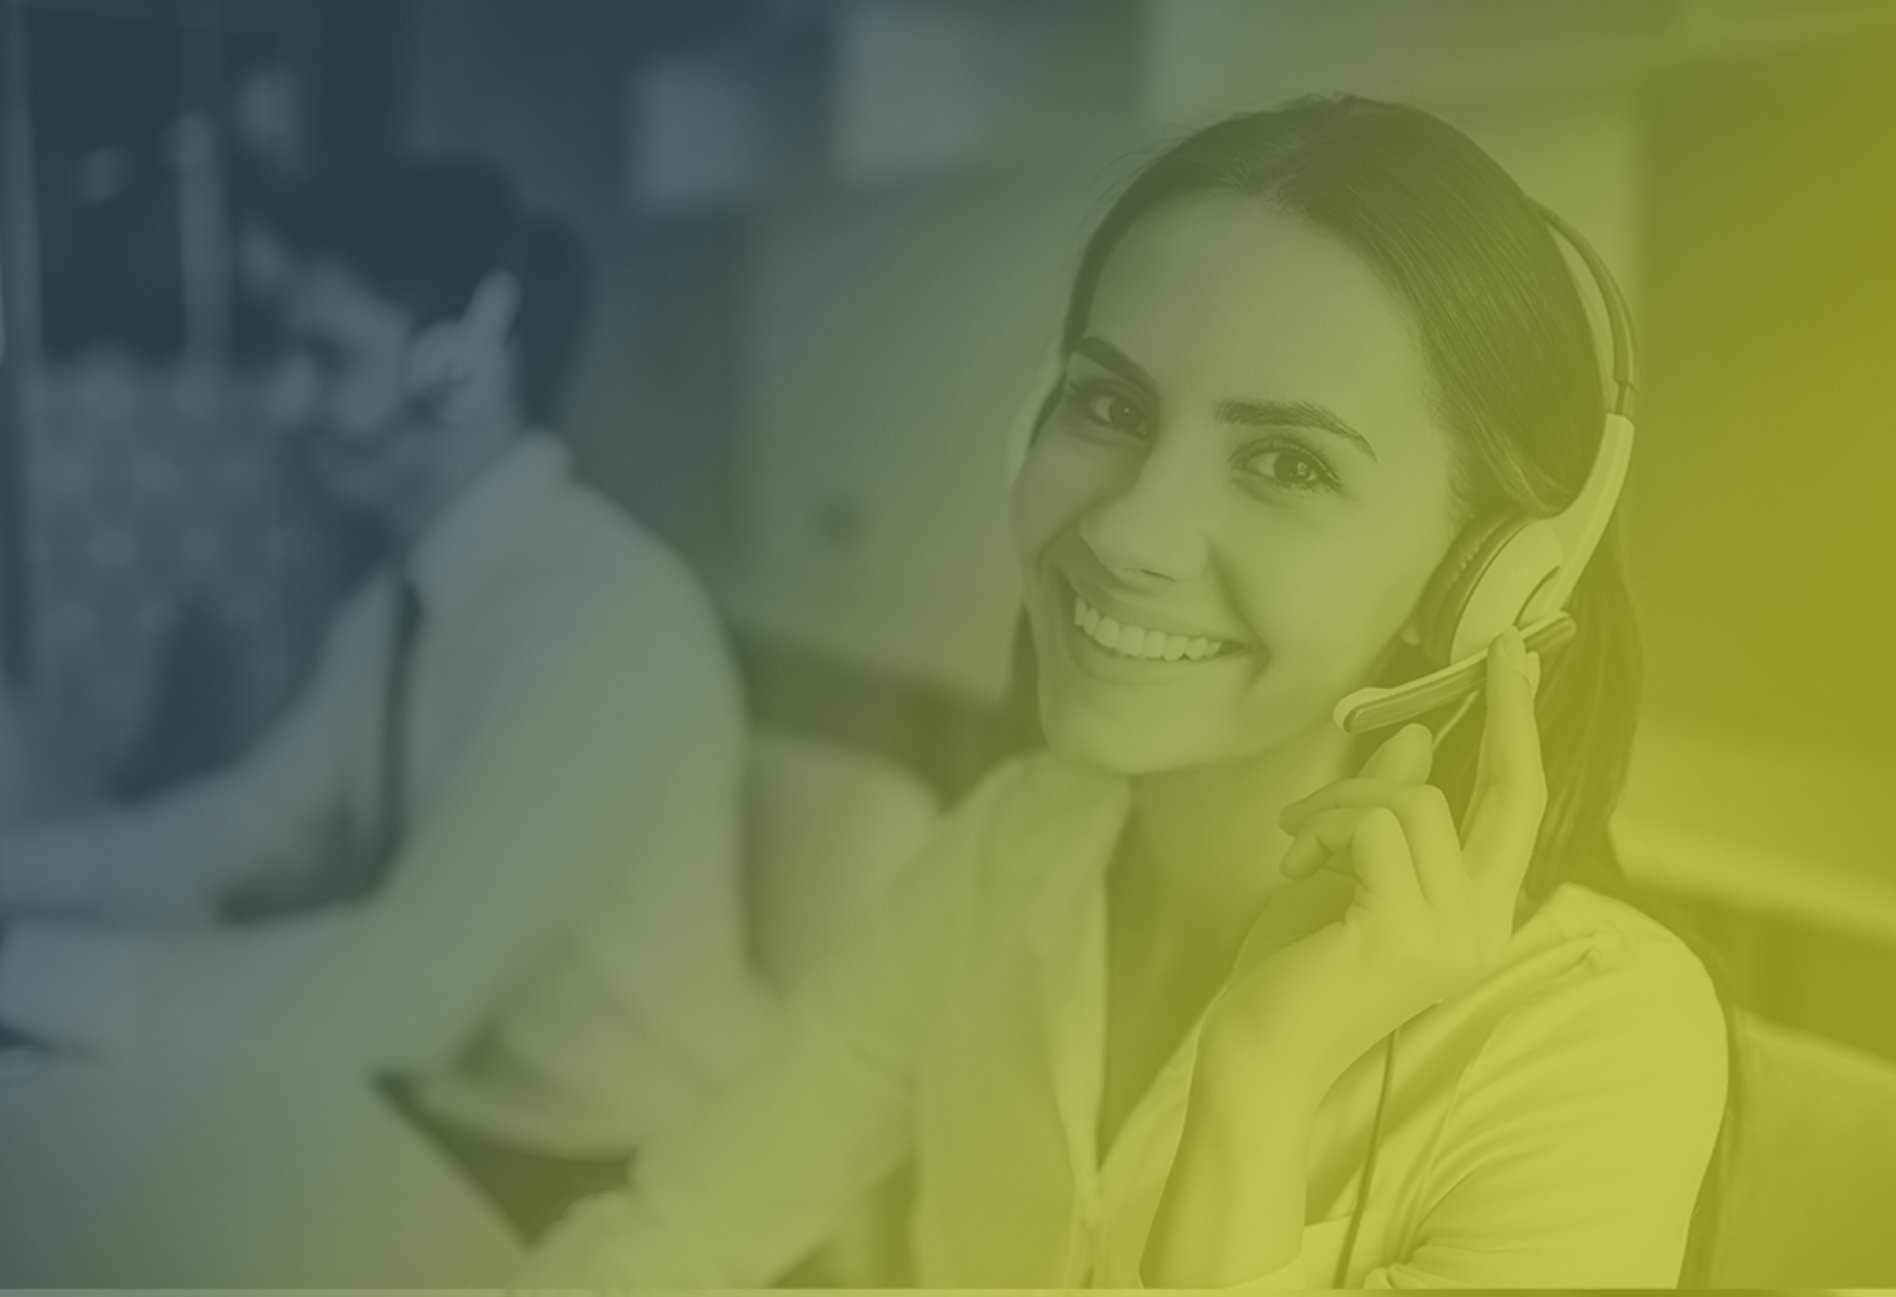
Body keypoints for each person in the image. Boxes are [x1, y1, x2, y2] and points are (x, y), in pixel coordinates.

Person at [521, 96, 1731, 1288]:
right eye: (1110, 404)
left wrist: (1254, 1093)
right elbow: (673, 1231)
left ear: (1483, 581)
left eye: (1286, 462)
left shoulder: (1595, 1038)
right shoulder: (1011, 850)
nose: (1131, 529)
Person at [0, 159, 773, 1232]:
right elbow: (243, 827)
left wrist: (27, 973)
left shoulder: (598, 622)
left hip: (631, 1173)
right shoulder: (402, 600)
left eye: (326, 356)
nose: (285, 400)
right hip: (468, 1123)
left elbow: (403, 989)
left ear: (464, 367)